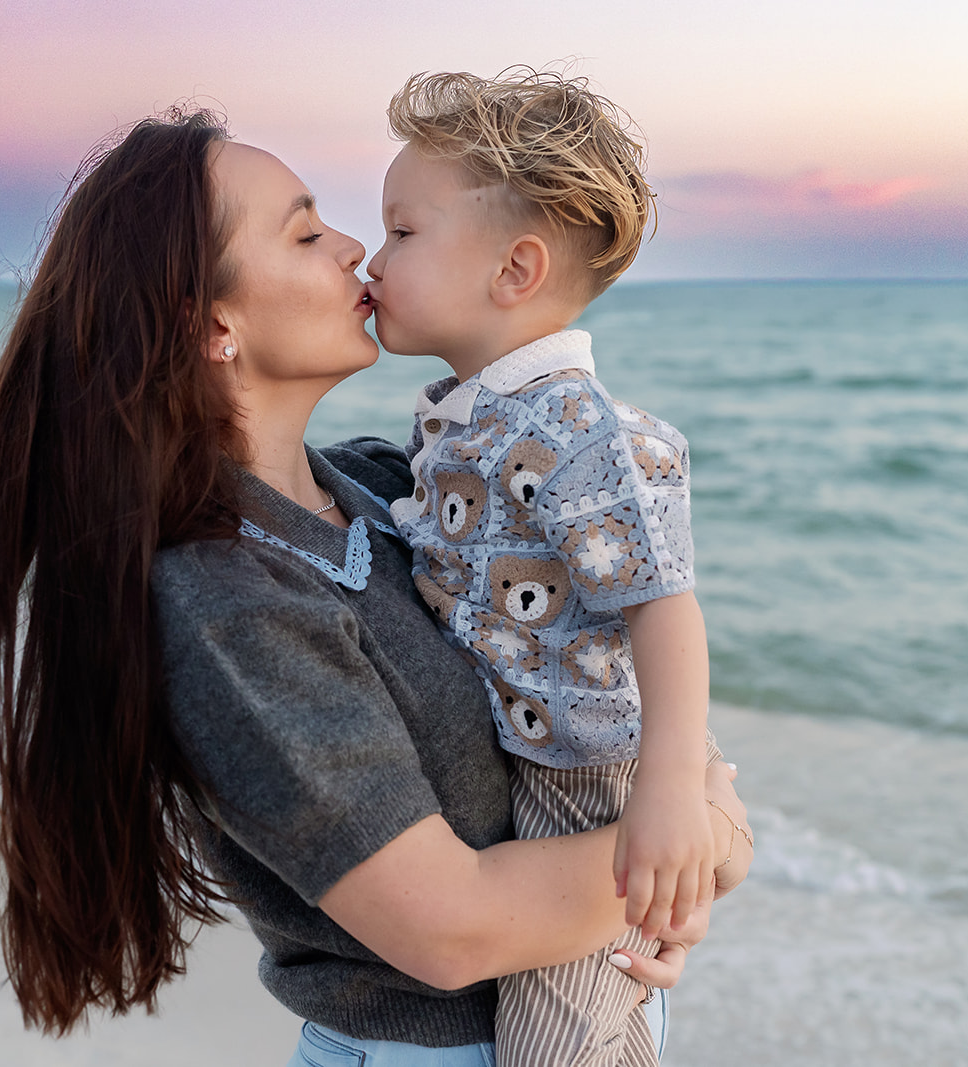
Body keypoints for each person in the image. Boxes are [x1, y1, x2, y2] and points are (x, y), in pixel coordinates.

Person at [0, 110, 752, 1065]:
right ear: (211, 322)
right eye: (304, 234)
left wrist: (691, 830)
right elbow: (450, 927)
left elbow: (602, 641)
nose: (353, 247)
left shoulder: (388, 490)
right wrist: (699, 843)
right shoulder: (221, 599)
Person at [363, 69, 743, 1066]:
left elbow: (661, 601)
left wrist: (671, 787)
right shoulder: (468, 411)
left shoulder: (570, 423)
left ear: (514, 269)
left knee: (550, 1044)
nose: (371, 256)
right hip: (530, 766)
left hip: (586, 780)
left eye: (403, 233)